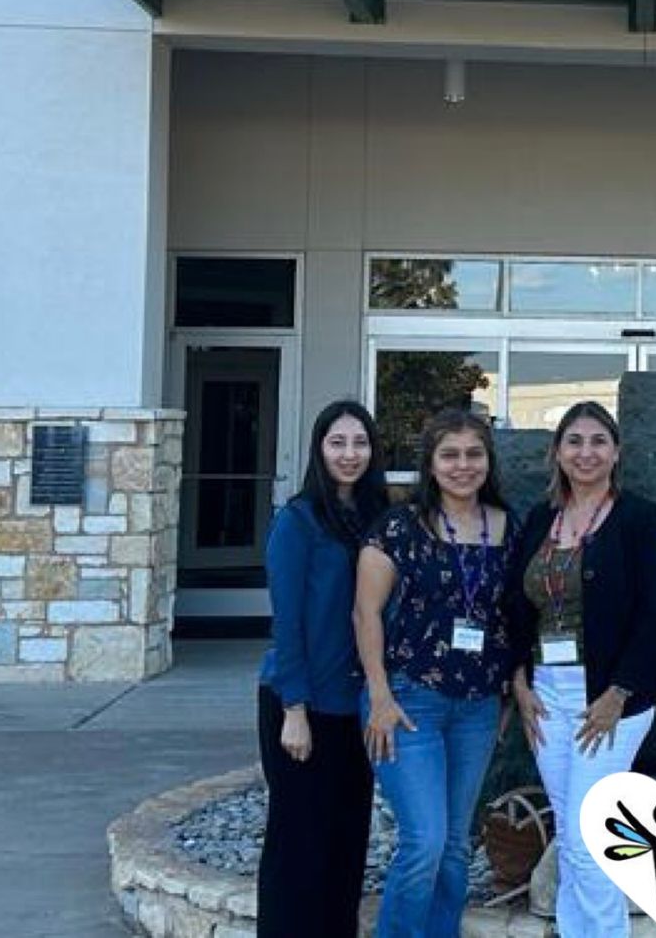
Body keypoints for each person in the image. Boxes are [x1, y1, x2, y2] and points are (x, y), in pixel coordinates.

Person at [505, 401, 656, 938]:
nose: (586, 452)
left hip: (610, 697)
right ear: (557, 452)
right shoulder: (538, 520)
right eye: (574, 441)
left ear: (616, 451)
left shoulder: (639, 519)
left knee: (584, 836)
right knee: (572, 829)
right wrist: (517, 682)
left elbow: (655, 615)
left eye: (598, 441)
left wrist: (618, 692)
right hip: (546, 695)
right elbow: (514, 607)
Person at [354, 408, 520, 938]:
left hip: (477, 706)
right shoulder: (399, 527)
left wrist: (507, 698)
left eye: (474, 454)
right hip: (409, 700)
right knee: (423, 840)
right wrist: (379, 695)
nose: (463, 465)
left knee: (453, 845)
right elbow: (366, 613)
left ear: (488, 461)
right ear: (430, 463)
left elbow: (513, 618)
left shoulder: (508, 526)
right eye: (450, 455)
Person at [257, 398, 388, 938]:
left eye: (360, 443)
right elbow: (287, 621)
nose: (350, 454)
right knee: (298, 848)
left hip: (354, 708)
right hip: (301, 704)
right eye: (338, 443)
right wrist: (294, 708)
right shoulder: (298, 519)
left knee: (345, 843)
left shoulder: (376, 518)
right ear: (319, 449)